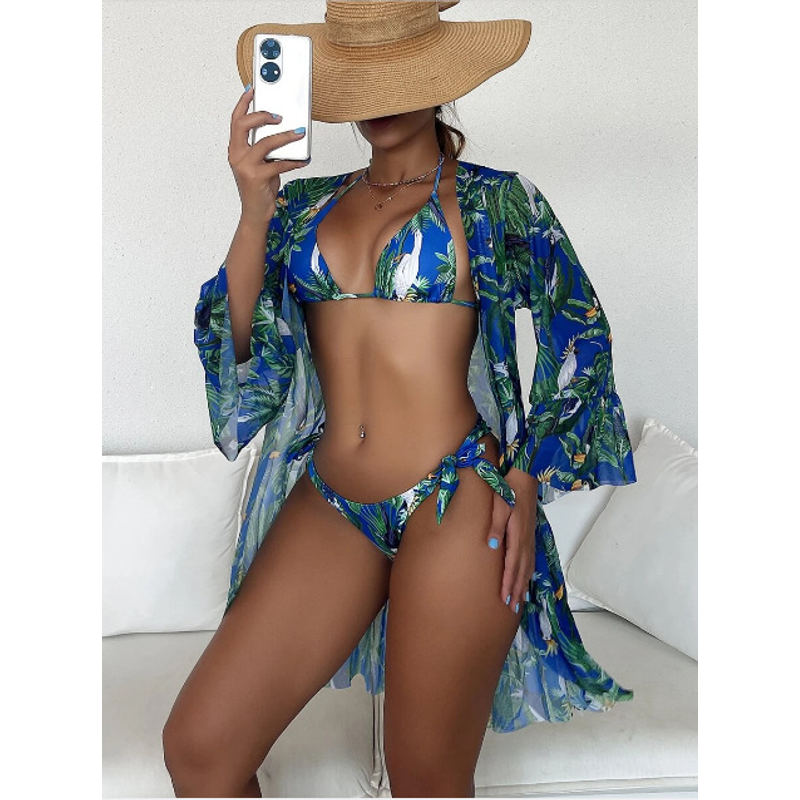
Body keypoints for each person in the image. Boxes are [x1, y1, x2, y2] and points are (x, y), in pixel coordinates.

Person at [163, 2, 638, 797]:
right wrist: (254, 210)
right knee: (200, 749)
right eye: (362, 82)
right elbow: (244, 354)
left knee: (426, 778)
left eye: (401, 78)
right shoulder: (302, 207)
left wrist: (527, 475)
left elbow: (580, 334)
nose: (379, 101)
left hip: (456, 497)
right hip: (332, 501)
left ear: (439, 79)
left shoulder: (497, 202)